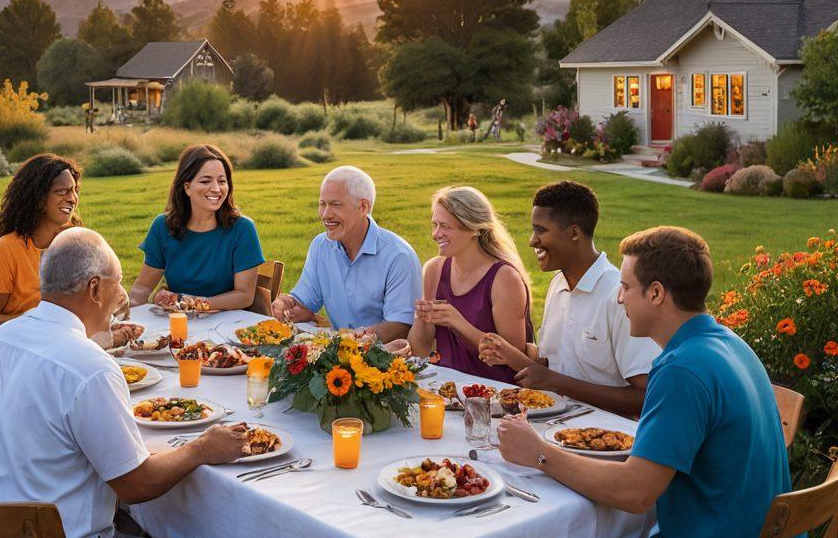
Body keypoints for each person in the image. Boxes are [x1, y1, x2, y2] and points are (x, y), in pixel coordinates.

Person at [498, 226, 808, 538]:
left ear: (656, 293)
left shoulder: (683, 369)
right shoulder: (727, 342)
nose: (619, 297)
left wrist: (539, 454)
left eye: (626, 286)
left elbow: (635, 494)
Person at [0, 227, 248, 538]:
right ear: (95, 288)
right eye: (117, 283)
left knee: (144, 532)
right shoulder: (89, 366)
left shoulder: (3, 338)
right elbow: (137, 485)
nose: (121, 295)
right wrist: (202, 448)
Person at [479, 180, 658, 416]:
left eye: (541, 230)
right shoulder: (558, 285)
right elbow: (552, 368)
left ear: (574, 233)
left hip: (603, 433)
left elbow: (646, 397)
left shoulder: (618, 295)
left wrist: (558, 383)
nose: (532, 241)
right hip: (550, 422)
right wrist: (510, 355)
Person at [0, 154, 141, 349]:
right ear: (39, 198)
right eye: (62, 191)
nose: (72, 199)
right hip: (25, 354)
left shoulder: (74, 242)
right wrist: (41, 328)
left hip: (69, 347)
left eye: (74, 190)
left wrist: (107, 320)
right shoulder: (5, 252)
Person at [270, 166, 422, 341]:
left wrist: (354, 339)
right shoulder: (320, 246)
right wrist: (286, 302)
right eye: (322, 204)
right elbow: (304, 301)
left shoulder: (399, 256)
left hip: (387, 354)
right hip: (339, 349)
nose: (326, 215)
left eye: (336, 205)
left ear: (363, 207)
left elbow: (401, 326)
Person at [401, 186, 532, 382]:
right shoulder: (434, 269)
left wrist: (457, 322)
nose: (436, 234)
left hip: (496, 390)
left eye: (445, 226)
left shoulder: (504, 278)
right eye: (434, 225)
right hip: (446, 385)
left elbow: (516, 361)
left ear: (474, 228)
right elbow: (419, 350)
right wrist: (422, 318)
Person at [129, 144, 264, 311]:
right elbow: (142, 287)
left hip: (228, 322)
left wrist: (193, 303)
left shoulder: (242, 229)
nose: (216, 189)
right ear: (187, 187)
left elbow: (244, 295)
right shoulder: (163, 226)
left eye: (222, 181)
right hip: (178, 321)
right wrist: (126, 314)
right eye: (205, 181)